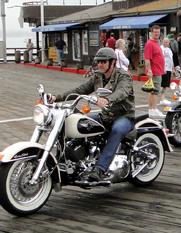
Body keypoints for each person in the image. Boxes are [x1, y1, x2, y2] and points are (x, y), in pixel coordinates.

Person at [50, 48, 135, 182]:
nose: (100, 65)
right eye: (98, 62)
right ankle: (63, 162)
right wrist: (56, 97)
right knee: (79, 123)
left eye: (103, 62)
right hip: (106, 116)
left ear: (112, 62)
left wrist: (107, 99)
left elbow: (122, 91)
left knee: (117, 130)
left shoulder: (124, 76)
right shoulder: (97, 77)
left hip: (124, 116)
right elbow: (80, 90)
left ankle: (100, 169)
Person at [144, 25, 166, 118]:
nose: (157, 33)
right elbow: (147, 59)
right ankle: (154, 109)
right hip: (154, 71)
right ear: (151, 33)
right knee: (155, 91)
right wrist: (149, 70)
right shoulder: (150, 43)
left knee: (151, 90)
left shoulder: (156, 42)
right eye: (155, 32)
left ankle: (151, 109)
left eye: (158, 32)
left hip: (158, 69)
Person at [159, 37, 175, 106]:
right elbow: (160, 59)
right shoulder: (161, 48)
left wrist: (173, 68)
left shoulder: (169, 50)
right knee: (163, 84)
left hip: (169, 68)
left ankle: (163, 97)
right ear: (162, 42)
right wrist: (163, 68)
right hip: (163, 68)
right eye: (164, 41)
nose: (165, 43)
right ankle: (162, 98)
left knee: (166, 84)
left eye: (167, 42)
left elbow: (171, 59)